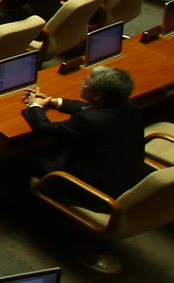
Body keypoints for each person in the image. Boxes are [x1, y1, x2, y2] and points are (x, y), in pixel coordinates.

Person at [22, 67, 145, 202]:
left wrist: (34, 105)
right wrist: (53, 101)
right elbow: (89, 108)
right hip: (122, 178)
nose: (81, 84)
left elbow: (43, 128)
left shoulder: (89, 121)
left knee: (27, 155)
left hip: (93, 190)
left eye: (85, 83)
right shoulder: (127, 105)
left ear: (97, 95)